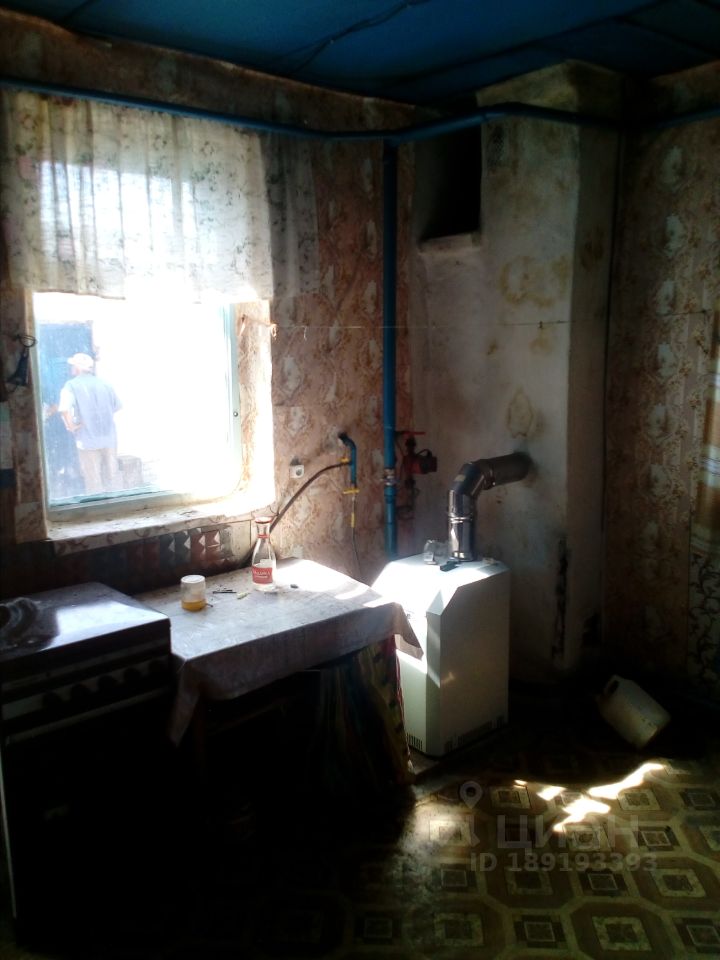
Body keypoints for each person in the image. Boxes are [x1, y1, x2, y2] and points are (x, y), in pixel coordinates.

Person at [58, 353, 122, 495]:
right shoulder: (105, 383)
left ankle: (98, 505)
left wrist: (71, 426)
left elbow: (64, 409)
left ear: (77, 368)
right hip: (109, 437)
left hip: (87, 440)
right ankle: (118, 502)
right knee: (113, 476)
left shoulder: (71, 385)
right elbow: (117, 406)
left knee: (93, 480)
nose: (70, 368)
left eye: (72, 365)